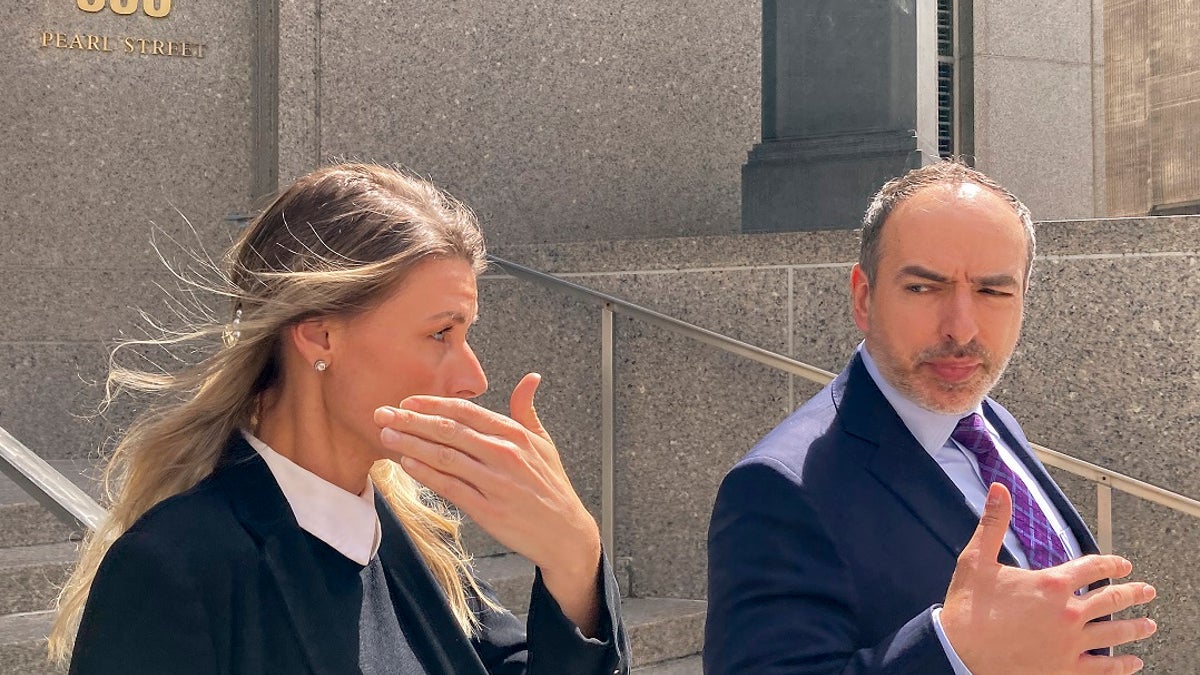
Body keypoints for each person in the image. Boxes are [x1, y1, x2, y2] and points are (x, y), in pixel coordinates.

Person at [48, 163, 629, 674]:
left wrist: (574, 558)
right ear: (320, 335)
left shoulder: (410, 543)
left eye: (465, 334)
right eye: (439, 333)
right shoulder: (177, 567)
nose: (472, 379)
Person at [704, 161, 1158, 674]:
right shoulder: (778, 488)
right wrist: (951, 652)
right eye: (924, 288)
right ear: (863, 298)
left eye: (992, 291)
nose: (961, 328)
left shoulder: (990, 422)